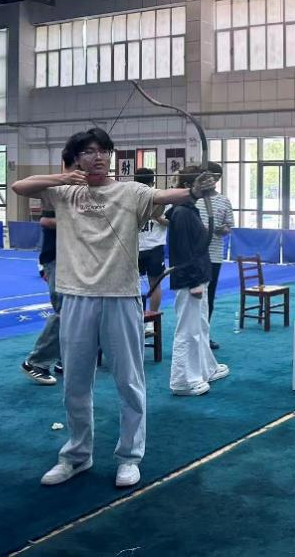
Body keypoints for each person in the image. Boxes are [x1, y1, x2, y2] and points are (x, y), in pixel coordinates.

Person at [11, 127, 215, 489]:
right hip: (76, 296)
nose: (99, 157)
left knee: (129, 382)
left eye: (104, 151)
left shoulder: (130, 191)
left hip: (120, 296)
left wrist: (194, 191)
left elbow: (164, 194)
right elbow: (19, 186)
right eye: (89, 152)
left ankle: (129, 457)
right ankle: (77, 455)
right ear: (76, 159)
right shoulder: (64, 192)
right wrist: (63, 177)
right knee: (75, 383)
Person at [167, 165, 229, 396]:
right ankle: (182, 381)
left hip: (199, 275)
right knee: (188, 330)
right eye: (201, 183)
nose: (208, 187)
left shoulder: (189, 209)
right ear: (187, 186)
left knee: (201, 327)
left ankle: (206, 368)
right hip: (189, 280)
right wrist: (193, 282)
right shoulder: (182, 213)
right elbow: (183, 251)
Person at [21, 150, 76, 386]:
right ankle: (36, 362)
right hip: (56, 258)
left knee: (77, 312)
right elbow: (20, 186)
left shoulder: (87, 190)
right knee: (65, 311)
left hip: (77, 260)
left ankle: (64, 359)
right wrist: (62, 179)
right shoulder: (55, 188)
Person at [196, 162, 234, 350]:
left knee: (209, 297)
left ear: (217, 178)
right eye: (205, 175)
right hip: (194, 256)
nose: (209, 179)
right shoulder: (194, 199)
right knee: (192, 297)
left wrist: (221, 229)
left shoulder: (224, 201)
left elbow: (229, 226)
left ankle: (204, 335)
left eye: (212, 176)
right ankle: (192, 335)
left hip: (214, 256)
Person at [134, 168, 167, 317]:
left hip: (153, 246)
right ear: (152, 182)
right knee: (148, 285)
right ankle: (141, 316)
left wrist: (157, 217)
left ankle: (151, 318)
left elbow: (170, 221)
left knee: (152, 284)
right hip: (136, 247)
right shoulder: (131, 197)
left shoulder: (160, 197)